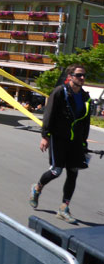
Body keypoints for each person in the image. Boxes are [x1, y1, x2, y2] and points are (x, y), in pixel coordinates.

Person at [29, 64, 91, 224]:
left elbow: (86, 122)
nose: (82, 78)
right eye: (79, 75)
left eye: (84, 75)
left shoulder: (85, 97)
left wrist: (84, 142)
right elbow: (49, 114)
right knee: (56, 171)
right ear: (70, 76)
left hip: (76, 142)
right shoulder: (60, 92)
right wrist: (45, 136)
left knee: (73, 173)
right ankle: (37, 188)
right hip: (59, 138)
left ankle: (64, 208)